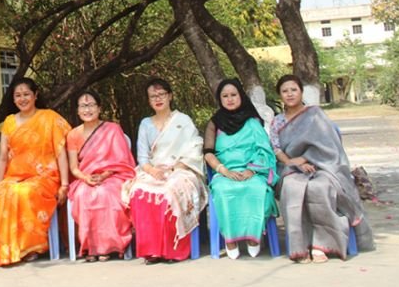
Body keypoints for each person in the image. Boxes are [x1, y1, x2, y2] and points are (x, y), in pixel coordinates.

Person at [272, 74, 374, 263]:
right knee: (292, 188)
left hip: (322, 165)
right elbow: (276, 149)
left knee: (318, 188)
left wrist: (306, 158)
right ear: (280, 95)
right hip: (290, 168)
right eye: (285, 91)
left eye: (294, 89)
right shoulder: (277, 121)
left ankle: (322, 244)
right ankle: (300, 246)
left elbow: (329, 144)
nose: (290, 94)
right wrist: (292, 162)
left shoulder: (315, 115)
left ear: (301, 92)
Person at [0, 77, 71, 267]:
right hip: (15, 176)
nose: (22, 99)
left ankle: (31, 247)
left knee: (26, 193)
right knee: (0, 193)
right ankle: (8, 249)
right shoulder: (9, 121)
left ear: (35, 95)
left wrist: (65, 184)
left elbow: (61, 152)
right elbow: (3, 157)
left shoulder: (49, 117)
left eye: (26, 94)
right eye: (18, 95)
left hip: (44, 177)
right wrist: (0, 182)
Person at [122, 78, 206, 264]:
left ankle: (173, 250)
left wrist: (177, 168)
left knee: (171, 191)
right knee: (139, 191)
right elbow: (142, 157)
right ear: (148, 100)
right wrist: (153, 171)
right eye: (153, 96)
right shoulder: (145, 124)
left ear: (170, 96)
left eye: (161, 94)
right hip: (152, 170)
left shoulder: (183, 121)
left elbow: (195, 147)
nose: (158, 99)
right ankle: (151, 250)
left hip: (181, 169)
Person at [202, 79, 278, 260]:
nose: (230, 99)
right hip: (225, 172)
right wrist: (224, 171)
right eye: (225, 96)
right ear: (220, 99)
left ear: (241, 96)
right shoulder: (214, 123)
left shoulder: (253, 121)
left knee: (256, 188)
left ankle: (253, 236)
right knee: (223, 190)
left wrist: (252, 170)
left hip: (252, 171)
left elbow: (264, 150)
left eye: (233, 95)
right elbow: (208, 153)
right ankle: (230, 239)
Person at [67, 90, 136, 262]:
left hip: (113, 176)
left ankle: (109, 246)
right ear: (77, 110)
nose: (87, 110)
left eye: (91, 105)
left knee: (106, 194)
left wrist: (104, 175)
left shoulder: (113, 129)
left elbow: (121, 160)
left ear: (99, 108)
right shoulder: (73, 135)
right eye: (83, 106)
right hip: (84, 178)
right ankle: (91, 247)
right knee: (83, 195)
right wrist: (86, 178)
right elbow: (74, 168)